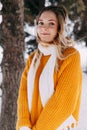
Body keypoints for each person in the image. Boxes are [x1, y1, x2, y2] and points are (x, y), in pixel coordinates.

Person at [16, 5, 82, 130]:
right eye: (41, 23)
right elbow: (23, 94)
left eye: (51, 23)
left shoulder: (70, 56)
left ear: (59, 28)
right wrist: (24, 125)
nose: (44, 28)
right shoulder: (33, 59)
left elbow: (63, 103)